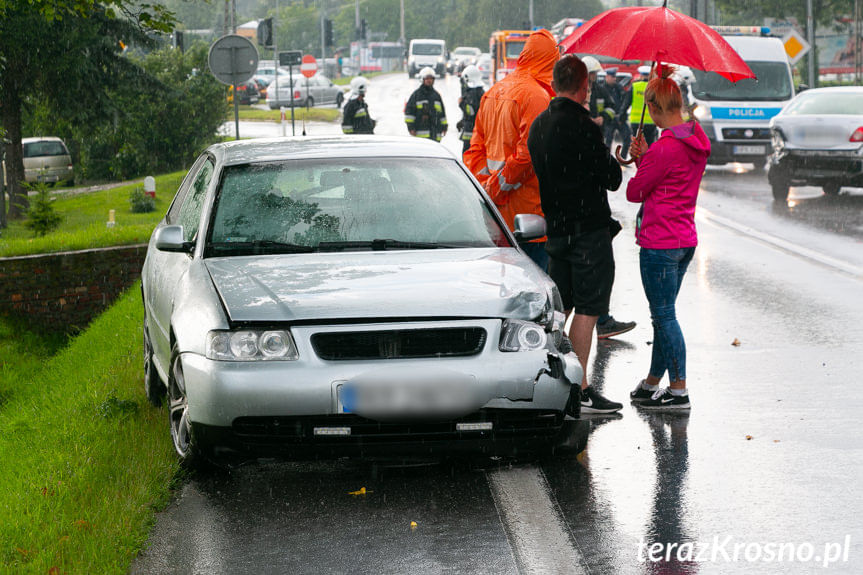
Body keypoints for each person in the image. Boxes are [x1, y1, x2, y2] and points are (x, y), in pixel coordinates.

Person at [527, 54, 624, 415]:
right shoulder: (583, 126)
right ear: (585, 86)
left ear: (554, 84)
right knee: (588, 309)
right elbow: (610, 179)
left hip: (558, 232)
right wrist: (609, 153)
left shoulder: (539, 125)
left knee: (561, 309)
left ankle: (552, 381)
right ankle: (580, 391)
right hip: (588, 234)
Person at [626, 64, 710, 410]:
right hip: (684, 238)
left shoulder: (664, 149)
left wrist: (639, 161)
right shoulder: (694, 142)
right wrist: (647, 159)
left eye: (653, 111)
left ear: (659, 108)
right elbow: (667, 179)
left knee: (663, 316)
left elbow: (635, 191)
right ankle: (652, 383)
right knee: (665, 313)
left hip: (660, 242)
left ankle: (678, 391)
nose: (654, 118)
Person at [464, 28, 559, 271]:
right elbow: (529, 156)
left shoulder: (494, 91)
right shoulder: (537, 96)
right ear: (550, 60)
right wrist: (499, 186)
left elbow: (475, 150)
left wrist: (487, 187)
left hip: (496, 217)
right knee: (535, 295)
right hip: (530, 217)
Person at [575, 59, 638, 341]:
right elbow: (613, 180)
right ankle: (597, 322)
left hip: (576, 214)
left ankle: (598, 320)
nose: (593, 81)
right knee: (596, 272)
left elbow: (613, 108)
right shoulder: (578, 123)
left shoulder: (597, 92)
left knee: (581, 277)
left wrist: (603, 120)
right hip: (587, 215)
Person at [404, 67, 447, 142]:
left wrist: (444, 127)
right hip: (421, 135)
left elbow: (442, 113)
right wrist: (411, 128)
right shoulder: (416, 95)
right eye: (427, 78)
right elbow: (409, 113)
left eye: (431, 78)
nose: (429, 80)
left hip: (435, 134)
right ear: (422, 79)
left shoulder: (436, 96)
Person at [603, 68, 632, 159]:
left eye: (615, 77)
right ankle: (607, 159)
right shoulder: (602, 89)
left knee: (627, 138)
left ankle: (622, 158)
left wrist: (622, 115)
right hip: (608, 119)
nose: (614, 79)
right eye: (612, 77)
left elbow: (625, 101)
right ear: (607, 77)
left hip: (620, 118)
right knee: (608, 141)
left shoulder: (619, 88)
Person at [457, 65, 485, 155]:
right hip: (477, 129)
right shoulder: (481, 91)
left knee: (467, 154)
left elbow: (471, 112)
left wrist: (461, 103)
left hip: (470, 130)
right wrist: (462, 121)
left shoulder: (471, 93)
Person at [630, 65, 658, 147]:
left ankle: (637, 159)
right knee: (649, 145)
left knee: (636, 146)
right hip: (650, 121)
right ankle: (647, 159)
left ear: (641, 75)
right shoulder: (654, 87)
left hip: (636, 121)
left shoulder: (634, 86)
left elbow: (626, 102)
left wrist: (621, 115)